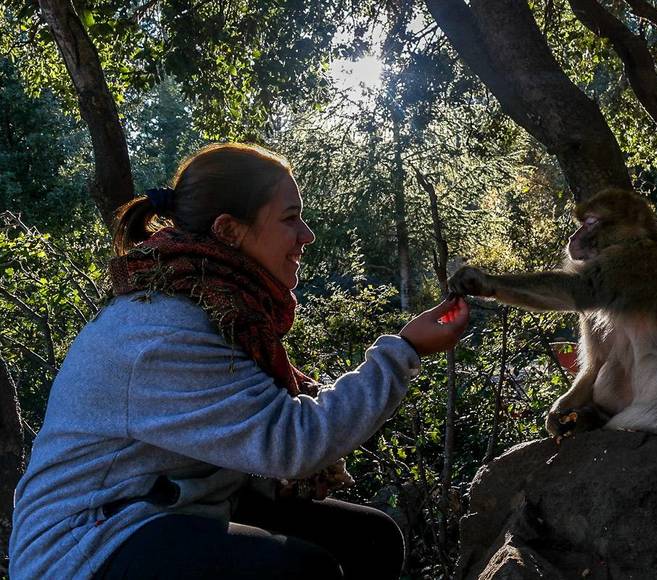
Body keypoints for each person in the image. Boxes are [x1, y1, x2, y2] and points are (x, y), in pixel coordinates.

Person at [8, 143, 469, 579]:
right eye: (291, 219)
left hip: (168, 507)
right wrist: (403, 352)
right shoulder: (163, 333)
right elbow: (290, 442)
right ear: (228, 231)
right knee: (299, 571)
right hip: (83, 549)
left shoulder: (213, 303)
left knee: (369, 540)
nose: (306, 236)